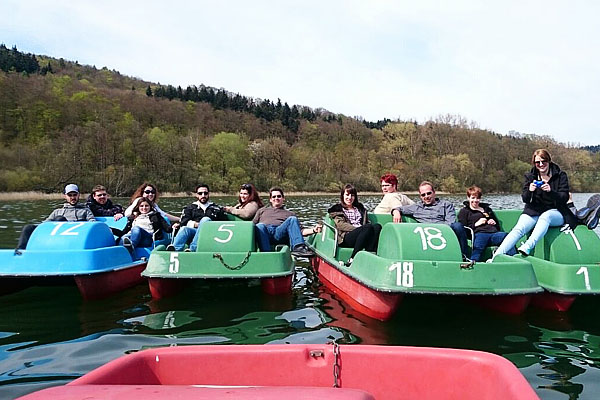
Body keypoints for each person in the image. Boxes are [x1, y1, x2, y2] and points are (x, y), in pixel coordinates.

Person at [494, 149, 575, 257]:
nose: (541, 165)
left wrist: (551, 191)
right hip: (535, 211)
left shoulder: (560, 175)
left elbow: (564, 197)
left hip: (557, 212)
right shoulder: (530, 176)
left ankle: (527, 247)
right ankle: (496, 256)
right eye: (538, 163)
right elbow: (525, 199)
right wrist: (530, 191)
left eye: (544, 161)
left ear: (549, 161)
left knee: (546, 216)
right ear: (534, 164)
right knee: (519, 229)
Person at [392, 181, 471, 260]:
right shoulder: (416, 207)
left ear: (434, 193)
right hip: (426, 235)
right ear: (420, 196)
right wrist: (396, 212)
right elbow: (399, 208)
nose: (426, 196)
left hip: (444, 232)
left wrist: (439, 229)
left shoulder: (445, 205)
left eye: (429, 193)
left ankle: (464, 257)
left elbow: (451, 222)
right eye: (423, 195)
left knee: (458, 226)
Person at [16, 184, 95, 252]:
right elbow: (44, 224)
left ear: (78, 195)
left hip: (74, 237)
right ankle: (21, 252)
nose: (72, 197)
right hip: (54, 237)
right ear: (65, 196)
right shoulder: (57, 211)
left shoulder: (85, 211)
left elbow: (93, 224)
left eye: (74, 195)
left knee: (60, 219)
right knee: (28, 227)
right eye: (70, 195)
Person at [253, 187, 321, 257]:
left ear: (283, 198)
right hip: (265, 232)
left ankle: (299, 248)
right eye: (274, 197)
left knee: (292, 219)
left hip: (279, 232)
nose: (276, 198)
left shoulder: (290, 214)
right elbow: (251, 225)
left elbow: (300, 231)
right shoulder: (262, 211)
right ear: (270, 199)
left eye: (279, 196)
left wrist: (313, 230)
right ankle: (265, 254)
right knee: (260, 226)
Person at [328, 184, 382, 266]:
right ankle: (352, 258)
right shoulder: (337, 209)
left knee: (377, 227)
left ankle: (370, 254)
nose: (349, 198)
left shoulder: (360, 209)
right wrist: (359, 229)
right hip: (346, 237)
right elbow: (341, 225)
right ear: (342, 196)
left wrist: (364, 229)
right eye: (347, 195)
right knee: (366, 228)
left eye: (352, 195)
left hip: (362, 233)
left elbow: (366, 223)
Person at [458, 185, 515, 262]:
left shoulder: (487, 209)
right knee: (477, 248)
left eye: (477, 198)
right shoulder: (464, 211)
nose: (475, 200)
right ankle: (472, 264)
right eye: (473, 198)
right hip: (479, 234)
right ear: (468, 198)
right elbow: (463, 228)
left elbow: (497, 225)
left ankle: (514, 260)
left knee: (508, 237)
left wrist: (493, 222)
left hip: (493, 234)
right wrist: (476, 224)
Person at [166, 183, 225, 252]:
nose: (203, 195)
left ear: (208, 194)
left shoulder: (216, 208)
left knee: (206, 219)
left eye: (205, 193)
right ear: (197, 195)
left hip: (211, 234)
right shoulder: (190, 208)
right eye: (200, 193)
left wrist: (207, 225)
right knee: (184, 229)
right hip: (194, 233)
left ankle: (193, 249)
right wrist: (198, 224)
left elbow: (224, 222)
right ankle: (175, 250)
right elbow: (183, 222)